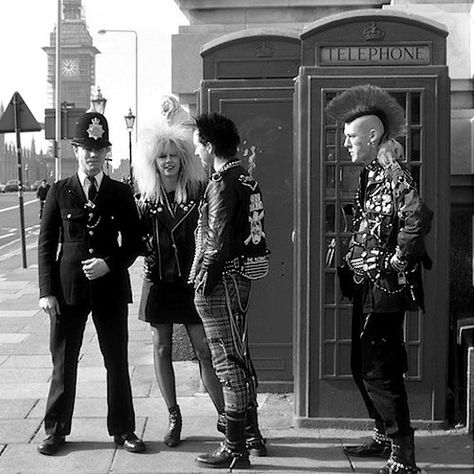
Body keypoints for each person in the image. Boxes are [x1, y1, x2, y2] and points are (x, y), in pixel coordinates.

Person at [326, 85, 433, 474]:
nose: (346, 144)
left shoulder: (393, 172)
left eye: (352, 137)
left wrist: (394, 260)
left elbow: (418, 216)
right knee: (360, 365)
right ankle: (384, 435)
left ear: (373, 136)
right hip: (366, 282)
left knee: (380, 371)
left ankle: (404, 458)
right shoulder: (371, 173)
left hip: (385, 289)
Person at [37, 112, 145, 456]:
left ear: (107, 151)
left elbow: (134, 242)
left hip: (110, 288)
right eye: (86, 147)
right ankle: (55, 430)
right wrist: (46, 292)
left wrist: (108, 264)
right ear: (75, 149)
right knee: (64, 362)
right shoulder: (59, 191)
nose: (92, 154)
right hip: (68, 290)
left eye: (99, 148)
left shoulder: (119, 192)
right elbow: (45, 243)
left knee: (116, 359)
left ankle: (124, 429)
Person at [133, 123, 225, 447]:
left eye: (173, 155)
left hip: (191, 282)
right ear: (153, 161)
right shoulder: (144, 200)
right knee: (161, 348)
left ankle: (225, 416)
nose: (168, 161)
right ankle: (174, 416)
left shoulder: (199, 193)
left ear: (183, 159)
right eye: (162, 156)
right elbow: (132, 239)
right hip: (159, 281)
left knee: (204, 348)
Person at [190, 112, 269, 470]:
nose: (197, 151)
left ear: (209, 146)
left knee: (227, 361)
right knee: (240, 354)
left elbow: (217, 240)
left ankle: (234, 447)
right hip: (241, 278)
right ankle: (251, 435)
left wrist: (204, 276)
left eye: (198, 145)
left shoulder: (222, 182)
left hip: (221, 281)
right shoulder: (246, 177)